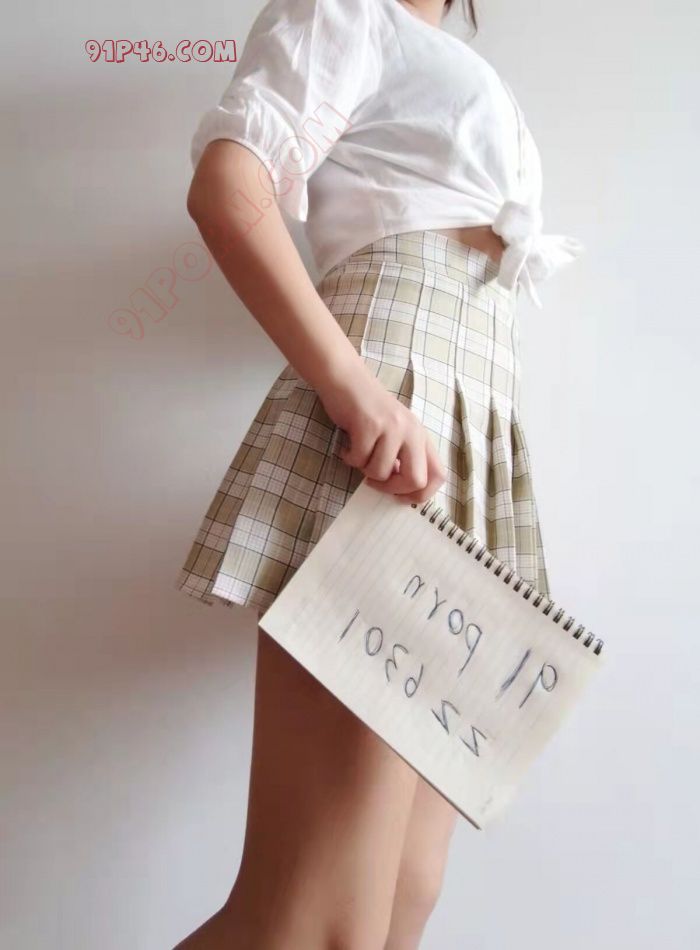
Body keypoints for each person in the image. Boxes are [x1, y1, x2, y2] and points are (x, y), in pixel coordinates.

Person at [173, 0, 583, 946]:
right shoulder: (348, 9)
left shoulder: (437, 53)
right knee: (316, 919)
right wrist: (356, 389)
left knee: (403, 900)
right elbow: (229, 188)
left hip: (464, 437)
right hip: (390, 422)